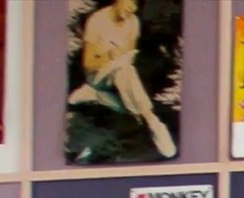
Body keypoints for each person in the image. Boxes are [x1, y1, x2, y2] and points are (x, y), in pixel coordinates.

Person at [68, 0, 176, 158]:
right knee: (123, 70)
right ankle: (151, 120)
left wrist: (123, 58)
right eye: (130, 2)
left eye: (136, 5)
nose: (132, 8)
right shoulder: (97, 21)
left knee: (125, 72)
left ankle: (98, 96)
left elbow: (129, 54)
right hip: (98, 76)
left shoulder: (133, 22)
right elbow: (88, 64)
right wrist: (111, 56)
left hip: (121, 80)